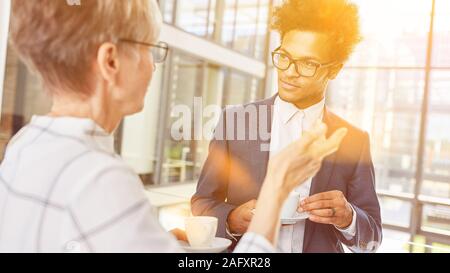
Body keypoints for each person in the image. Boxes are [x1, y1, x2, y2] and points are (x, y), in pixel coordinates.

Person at [0, 0, 346, 253]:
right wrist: (276, 186)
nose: (154, 66)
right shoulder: (99, 178)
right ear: (110, 61)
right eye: (151, 49)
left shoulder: (24, 145)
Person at [192, 0, 382, 253]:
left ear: (334, 70)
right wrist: (232, 219)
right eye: (284, 56)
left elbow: (373, 239)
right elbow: (202, 202)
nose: (289, 72)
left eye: (307, 63)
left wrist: (349, 218)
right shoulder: (234, 121)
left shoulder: (353, 140)